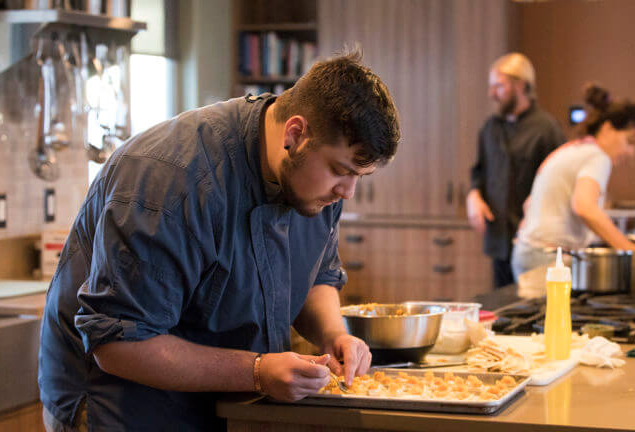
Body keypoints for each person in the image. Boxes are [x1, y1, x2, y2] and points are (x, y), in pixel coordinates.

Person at [38, 50, 400, 431]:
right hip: (121, 406)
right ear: (295, 134)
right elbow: (118, 345)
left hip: (221, 399)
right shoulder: (172, 179)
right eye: (341, 172)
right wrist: (258, 371)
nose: (349, 193)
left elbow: (317, 274)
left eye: (361, 177)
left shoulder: (314, 181)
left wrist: (334, 335)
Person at [511, 84, 635, 278]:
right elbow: (584, 206)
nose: (630, 153)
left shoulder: (573, 149)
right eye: (629, 142)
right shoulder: (597, 156)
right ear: (608, 128)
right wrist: (627, 248)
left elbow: (530, 204)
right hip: (547, 257)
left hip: (530, 252)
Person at [467, 53, 565, 288]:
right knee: (500, 310)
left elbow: (558, 181)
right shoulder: (490, 128)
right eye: (492, 86)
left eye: (499, 86)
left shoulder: (546, 128)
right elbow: (479, 172)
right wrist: (474, 195)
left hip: (533, 243)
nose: (492, 94)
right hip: (498, 239)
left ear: (521, 85)